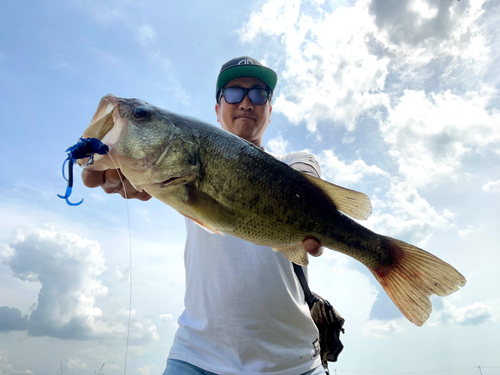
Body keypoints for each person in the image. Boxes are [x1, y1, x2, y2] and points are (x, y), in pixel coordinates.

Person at [82, 56, 326, 375]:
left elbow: (307, 185)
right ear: (217, 108)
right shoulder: (182, 168)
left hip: (292, 362)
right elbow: (149, 176)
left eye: (259, 94)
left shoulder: (297, 161)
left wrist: (313, 200)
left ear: (270, 109)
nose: (247, 102)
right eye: (234, 93)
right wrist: (130, 170)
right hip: (196, 357)